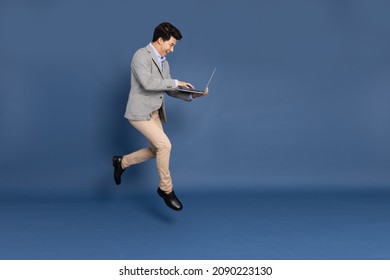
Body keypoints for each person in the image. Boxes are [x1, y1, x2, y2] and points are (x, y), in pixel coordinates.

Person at [112, 22, 208, 211]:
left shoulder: (165, 63)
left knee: (158, 151)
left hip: (154, 113)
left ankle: (121, 162)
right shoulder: (140, 55)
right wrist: (175, 81)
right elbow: (148, 83)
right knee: (165, 145)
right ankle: (166, 189)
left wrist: (191, 94)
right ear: (160, 40)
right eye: (171, 45)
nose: (172, 50)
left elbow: (167, 89)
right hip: (139, 113)